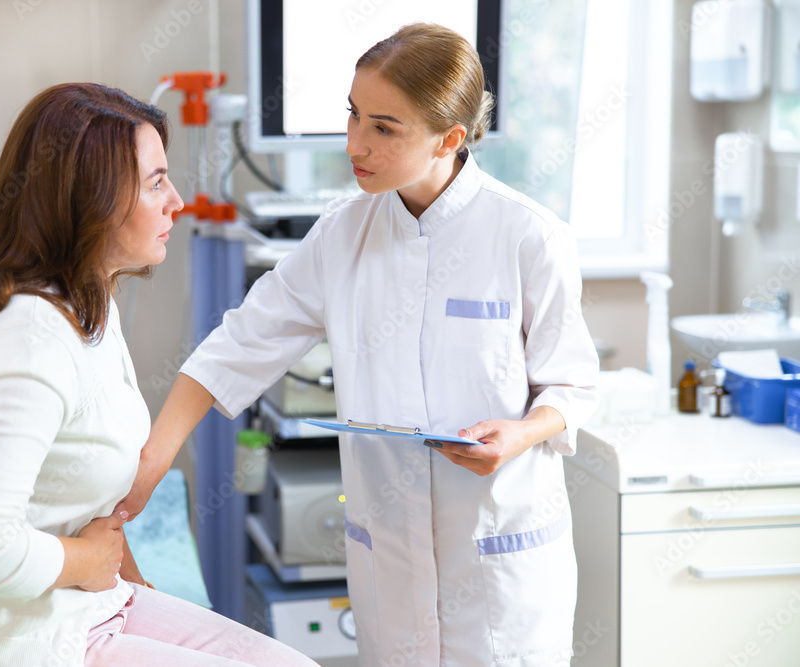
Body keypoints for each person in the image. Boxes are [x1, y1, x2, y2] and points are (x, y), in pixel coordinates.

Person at [117, 24, 599, 667]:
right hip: (391, 572)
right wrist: (154, 459)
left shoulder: (529, 237)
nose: (354, 144)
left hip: (499, 564)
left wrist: (517, 435)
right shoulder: (342, 235)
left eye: (384, 128)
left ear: (450, 138)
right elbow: (238, 343)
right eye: (353, 114)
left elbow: (573, 385)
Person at [0, 82, 318, 667]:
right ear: (89, 201)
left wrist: (131, 585)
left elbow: (88, 508)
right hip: (34, 634)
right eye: (155, 183)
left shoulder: (90, 302)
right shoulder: (32, 343)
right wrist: (87, 563)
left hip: (91, 603)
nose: (177, 200)